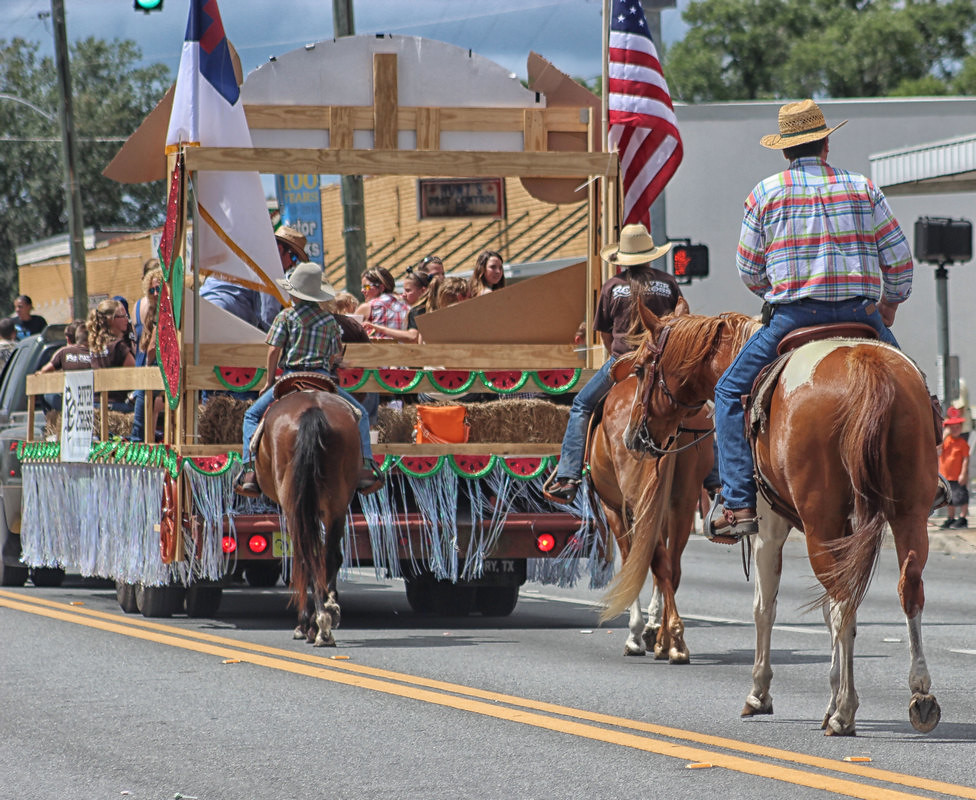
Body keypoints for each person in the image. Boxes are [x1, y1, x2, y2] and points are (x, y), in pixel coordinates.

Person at [710, 99, 912, 539]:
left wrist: (780, 293)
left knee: (727, 392)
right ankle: (926, 480)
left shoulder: (764, 194)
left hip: (793, 319)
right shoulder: (863, 187)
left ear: (785, 151)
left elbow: (749, 268)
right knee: (916, 390)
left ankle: (738, 504)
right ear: (825, 143)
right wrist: (889, 305)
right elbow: (899, 259)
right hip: (862, 316)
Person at [544, 224, 681, 504]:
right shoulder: (668, 284)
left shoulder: (612, 287)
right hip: (661, 364)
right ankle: (716, 481)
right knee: (701, 407)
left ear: (623, 258)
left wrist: (618, 356)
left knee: (582, 405)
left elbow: (605, 333)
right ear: (650, 254)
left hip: (624, 363)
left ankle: (568, 476)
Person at [235, 261, 383, 497]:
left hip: (291, 377)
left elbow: (274, 350)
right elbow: (335, 354)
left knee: (251, 414)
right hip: (322, 378)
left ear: (295, 293)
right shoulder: (329, 321)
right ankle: (365, 467)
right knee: (361, 415)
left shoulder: (286, 316)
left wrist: (269, 381)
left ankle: (249, 470)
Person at [199, 224, 309, 331]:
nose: (293, 264)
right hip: (225, 318)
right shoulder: (271, 267)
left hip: (200, 308)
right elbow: (268, 318)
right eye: (293, 257)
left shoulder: (246, 253)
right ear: (279, 249)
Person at [130, 267, 165, 442]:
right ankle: (141, 442)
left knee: (144, 406)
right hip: (155, 366)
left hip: (159, 366)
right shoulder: (153, 310)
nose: (156, 293)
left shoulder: (164, 310)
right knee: (145, 409)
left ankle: (139, 443)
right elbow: (147, 345)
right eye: (152, 290)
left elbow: (151, 347)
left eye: (159, 288)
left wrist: (147, 364)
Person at [87, 298, 136, 412]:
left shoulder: (94, 346)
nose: (126, 320)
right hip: (117, 406)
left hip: (96, 404)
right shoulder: (119, 346)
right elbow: (134, 375)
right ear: (111, 320)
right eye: (122, 316)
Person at [363, 265, 433, 344]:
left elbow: (413, 336)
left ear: (423, 291)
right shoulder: (432, 306)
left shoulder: (416, 311)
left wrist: (379, 328)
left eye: (408, 290)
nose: (403, 294)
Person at [40, 321, 92, 411]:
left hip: (70, 401)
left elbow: (44, 371)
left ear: (68, 339)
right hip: (91, 398)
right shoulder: (95, 353)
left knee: (47, 395)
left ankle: (61, 415)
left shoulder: (63, 352)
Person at [355, 267, 410, 338]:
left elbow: (350, 334)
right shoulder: (406, 305)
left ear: (381, 288)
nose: (362, 290)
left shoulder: (368, 307)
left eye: (367, 287)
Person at [938, 408, 970, 529]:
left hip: (958, 475)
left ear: (961, 428)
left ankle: (963, 517)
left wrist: (963, 473)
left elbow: (966, 459)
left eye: (957, 427)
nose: (955, 430)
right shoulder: (945, 442)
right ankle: (951, 518)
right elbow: (937, 449)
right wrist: (945, 434)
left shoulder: (962, 443)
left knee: (961, 497)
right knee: (949, 499)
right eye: (952, 427)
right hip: (946, 476)